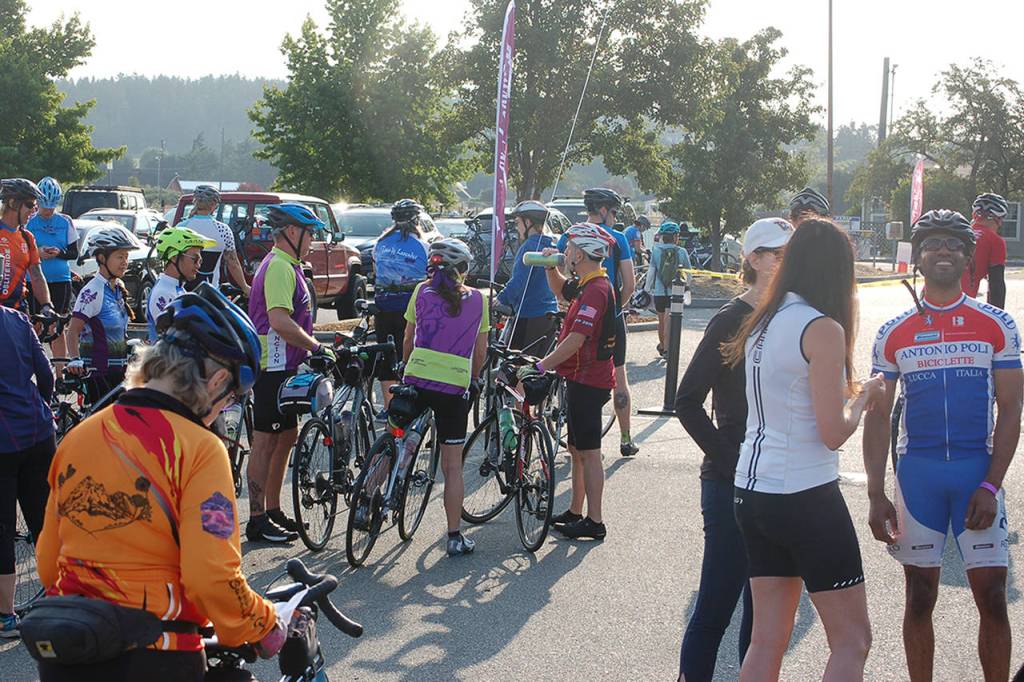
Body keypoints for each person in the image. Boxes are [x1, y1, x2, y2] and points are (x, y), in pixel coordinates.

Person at [35, 284, 287, 680]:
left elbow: (49, 565)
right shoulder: (199, 448)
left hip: (72, 651)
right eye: (232, 398)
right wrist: (264, 625)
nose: (225, 408)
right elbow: (212, 576)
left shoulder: (80, 436)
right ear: (219, 380)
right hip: (156, 656)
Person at [863, 209, 1023, 682]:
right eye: (933, 244)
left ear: (969, 256)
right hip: (919, 477)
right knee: (919, 597)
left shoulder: (997, 324)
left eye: (954, 244)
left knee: (993, 597)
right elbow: (876, 418)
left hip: (977, 473)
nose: (944, 252)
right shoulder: (893, 331)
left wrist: (992, 485)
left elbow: (1012, 409)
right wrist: (875, 493)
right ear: (919, 256)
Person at [722, 219, 882, 681]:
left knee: (766, 639)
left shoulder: (762, 321)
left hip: (752, 491)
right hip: (804, 493)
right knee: (853, 639)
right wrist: (865, 397)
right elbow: (833, 432)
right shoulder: (821, 328)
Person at [673, 217, 792, 681]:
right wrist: (733, 459)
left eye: (790, 253)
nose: (786, 262)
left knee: (762, 618)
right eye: (777, 253)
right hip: (729, 485)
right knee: (715, 608)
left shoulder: (790, 315)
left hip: (779, 483)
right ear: (754, 259)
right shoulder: (729, 319)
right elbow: (686, 402)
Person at [522, 224, 617, 540]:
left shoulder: (597, 290)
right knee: (576, 449)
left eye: (571, 248)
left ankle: (595, 520)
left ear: (581, 253)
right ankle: (576, 511)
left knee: (589, 452)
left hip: (590, 381)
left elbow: (576, 340)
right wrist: (551, 267)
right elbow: (561, 291)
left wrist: (541, 365)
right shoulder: (587, 283)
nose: (568, 252)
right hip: (579, 378)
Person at [246, 203, 334, 543]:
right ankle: (256, 519)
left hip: (285, 366)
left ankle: (272, 509)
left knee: (285, 438)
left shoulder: (290, 265)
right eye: (310, 233)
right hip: (273, 367)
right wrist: (316, 347)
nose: (312, 240)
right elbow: (280, 320)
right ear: (292, 232)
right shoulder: (280, 267)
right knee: (265, 441)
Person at [401, 238, 488, 556]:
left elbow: (408, 336)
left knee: (398, 440)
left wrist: (405, 368)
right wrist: (475, 378)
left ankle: (368, 500)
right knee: (452, 467)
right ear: (462, 270)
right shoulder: (479, 300)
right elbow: (480, 351)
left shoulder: (421, 291)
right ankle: (454, 536)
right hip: (454, 389)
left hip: (418, 379)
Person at [556, 188, 637, 456]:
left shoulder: (572, 235)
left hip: (579, 311)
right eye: (614, 212)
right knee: (619, 379)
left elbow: (558, 269)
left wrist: (569, 303)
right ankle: (625, 438)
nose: (615, 218)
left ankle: (575, 441)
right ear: (603, 210)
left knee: (576, 377)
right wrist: (615, 308)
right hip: (610, 319)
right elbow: (629, 283)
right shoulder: (618, 238)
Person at [0, 305, 55, 637]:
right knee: (45, 519)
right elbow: (46, 374)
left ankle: (5, 616)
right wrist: (42, 405)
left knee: (2, 528)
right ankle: (59, 599)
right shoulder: (18, 319)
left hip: (3, 442)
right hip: (37, 430)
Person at [65, 227, 140, 405]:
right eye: (119, 257)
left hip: (118, 373)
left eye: (126, 257)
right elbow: (72, 331)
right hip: (98, 374)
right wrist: (75, 359)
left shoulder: (118, 287)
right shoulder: (92, 291)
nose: (125, 262)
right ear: (101, 258)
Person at [372, 198, 429, 413]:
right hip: (410, 309)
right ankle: (406, 406)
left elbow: (377, 273)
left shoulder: (381, 242)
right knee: (409, 355)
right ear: (416, 220)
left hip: (383, 307)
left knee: (387, 357)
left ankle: (388, 408)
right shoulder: (423, 246)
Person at [494, 200, 558, 355]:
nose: (517, 227)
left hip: (530, 314)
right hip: (550, 314)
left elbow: (519, 282)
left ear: (528, 222)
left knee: (516, 367)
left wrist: (500, 299)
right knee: (538, 368)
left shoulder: (529, 246)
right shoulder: (551, 244)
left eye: (518, 222)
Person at [26, 177, 77, 359]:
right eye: (44, 206)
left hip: (60, 280)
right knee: (36, 326)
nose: (47, 210)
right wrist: (38, 252)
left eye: (51, 206)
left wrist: (58, 253)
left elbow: (73, 253)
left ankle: (60, 374)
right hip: (35, 280)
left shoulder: (65, 221)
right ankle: (35, 369)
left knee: (58, 327)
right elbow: (24, 252)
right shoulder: (29, 221)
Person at [147, 226, 216, 342]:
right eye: (195, 259)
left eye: (200, 261)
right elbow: (175, 338)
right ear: (174, 257)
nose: (198, 265)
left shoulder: (177, 288)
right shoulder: (163, 292)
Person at [178, 184, 250, 296]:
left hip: (183, 292)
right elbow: (233, 263)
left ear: (195, 202)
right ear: (214, 205)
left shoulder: (181, 227)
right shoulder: (223, 230)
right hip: (211, 293)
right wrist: (244, 287)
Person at [0, 179, 52, 314]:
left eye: (35, 207)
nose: (33, 211)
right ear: (12, 203)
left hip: (19, 310)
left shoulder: (27, 238)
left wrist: (47, 306)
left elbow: (36, 275)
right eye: (29, 205)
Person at [642, 221, 692, 357]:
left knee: (661, 320)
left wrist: (646, 290)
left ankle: (663, 345)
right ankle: (667, 350)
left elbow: (651, 273)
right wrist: (686, 286)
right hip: (675, 292)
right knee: (669, 321)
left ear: (663, 236)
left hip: (659, 292)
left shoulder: (656, 251)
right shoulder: (682, 252)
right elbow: (688, 274)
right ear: (676, 236)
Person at [962, 192, 1008, 310]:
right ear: (998, 219)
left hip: (929, 297)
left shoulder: (960, 233)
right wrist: (997, 318)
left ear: (974, 215)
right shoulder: (995, 240)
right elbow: (996, 286)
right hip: (960, 302)